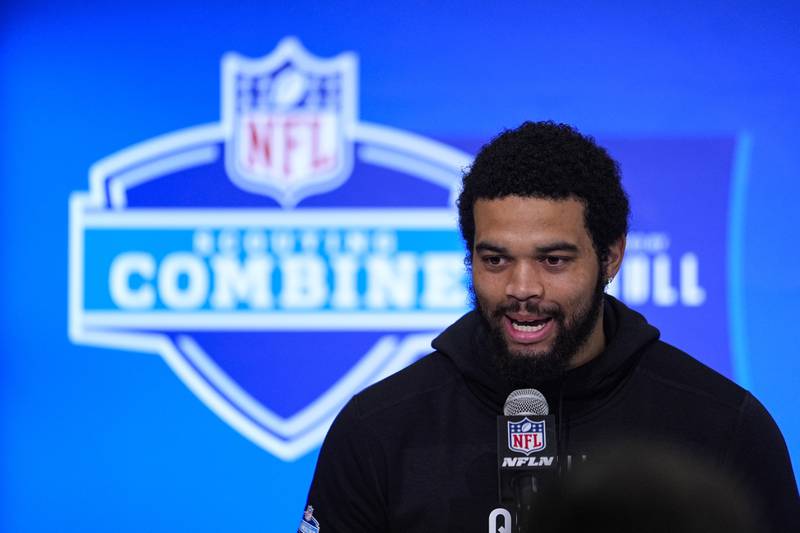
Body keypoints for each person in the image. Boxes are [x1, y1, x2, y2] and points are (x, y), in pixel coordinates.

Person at [300, 121, 798, 532]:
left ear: (611, 256)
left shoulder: (721, 427)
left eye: (553, 260)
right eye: (495, 259)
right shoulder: (379, 429)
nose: (521, 287)